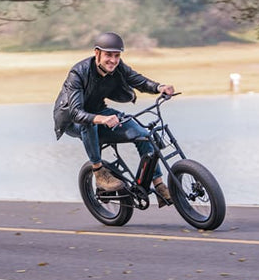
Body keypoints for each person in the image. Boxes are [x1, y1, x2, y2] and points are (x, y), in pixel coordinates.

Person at [53, 32, 176, 207]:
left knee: (143, 134)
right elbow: (76, 113)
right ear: (97, 53)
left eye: (117, 55)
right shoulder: (78, 73)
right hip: (71, 120)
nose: (113, 60)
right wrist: (101, 119)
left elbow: (137, 80)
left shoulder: (118, 67)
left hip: (99, 111)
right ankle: (98, 172)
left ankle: (158, 185)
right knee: (89, 124)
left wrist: (158, 87)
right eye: (108, 55)